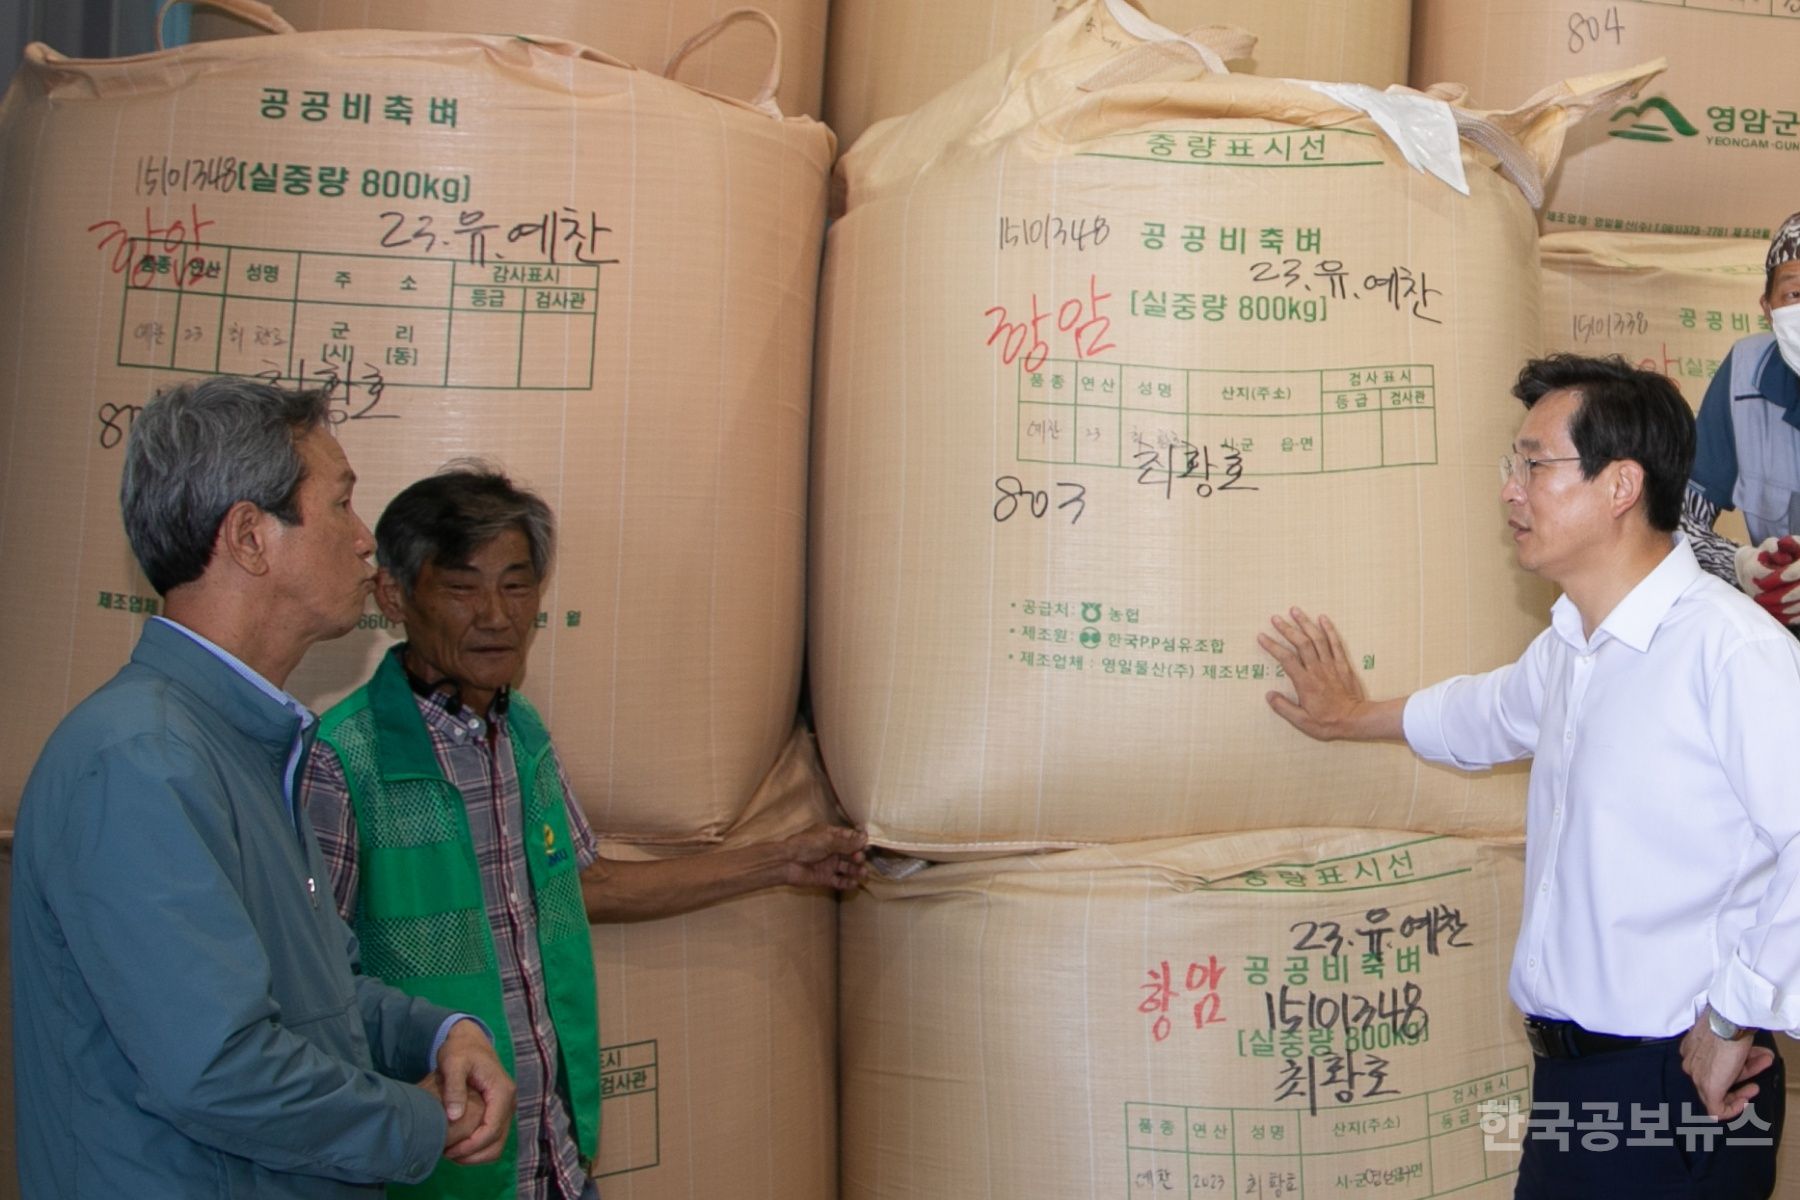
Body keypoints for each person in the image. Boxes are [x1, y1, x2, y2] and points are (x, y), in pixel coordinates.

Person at [1261, 354, 1800, 1199]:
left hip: (1681, 1084)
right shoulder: (1573, 649)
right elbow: (1480, 716)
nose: (1511, 489)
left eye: (1533, 463)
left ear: (1620, 485)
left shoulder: (1731, 652)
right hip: (1571, 1084)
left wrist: (1738, 1010)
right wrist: (1347, 715)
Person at [299, 466, 867, 1200]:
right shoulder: (343, 760)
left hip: (553, 1164)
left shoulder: (520, 734)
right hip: (435, 1178)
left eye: (517, 584)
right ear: (395, 596)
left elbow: (585, 882)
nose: (497, 616)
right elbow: (315, 987)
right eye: (464, 587)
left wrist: (783, 861)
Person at [9, 378, 517, 1199]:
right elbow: (219, 1068)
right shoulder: (140, 762)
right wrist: (419, 1122)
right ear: (250, 537)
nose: (366, 543)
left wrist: (438, 1033)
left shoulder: (243, 742)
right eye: (343, 505)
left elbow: (316, 991)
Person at [1681, 211, 1800, 626]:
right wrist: (1737, 564)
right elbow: (1677, 518)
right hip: (1781, 631)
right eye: (1794, 294)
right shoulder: (1744, 375)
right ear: (1767, 310)